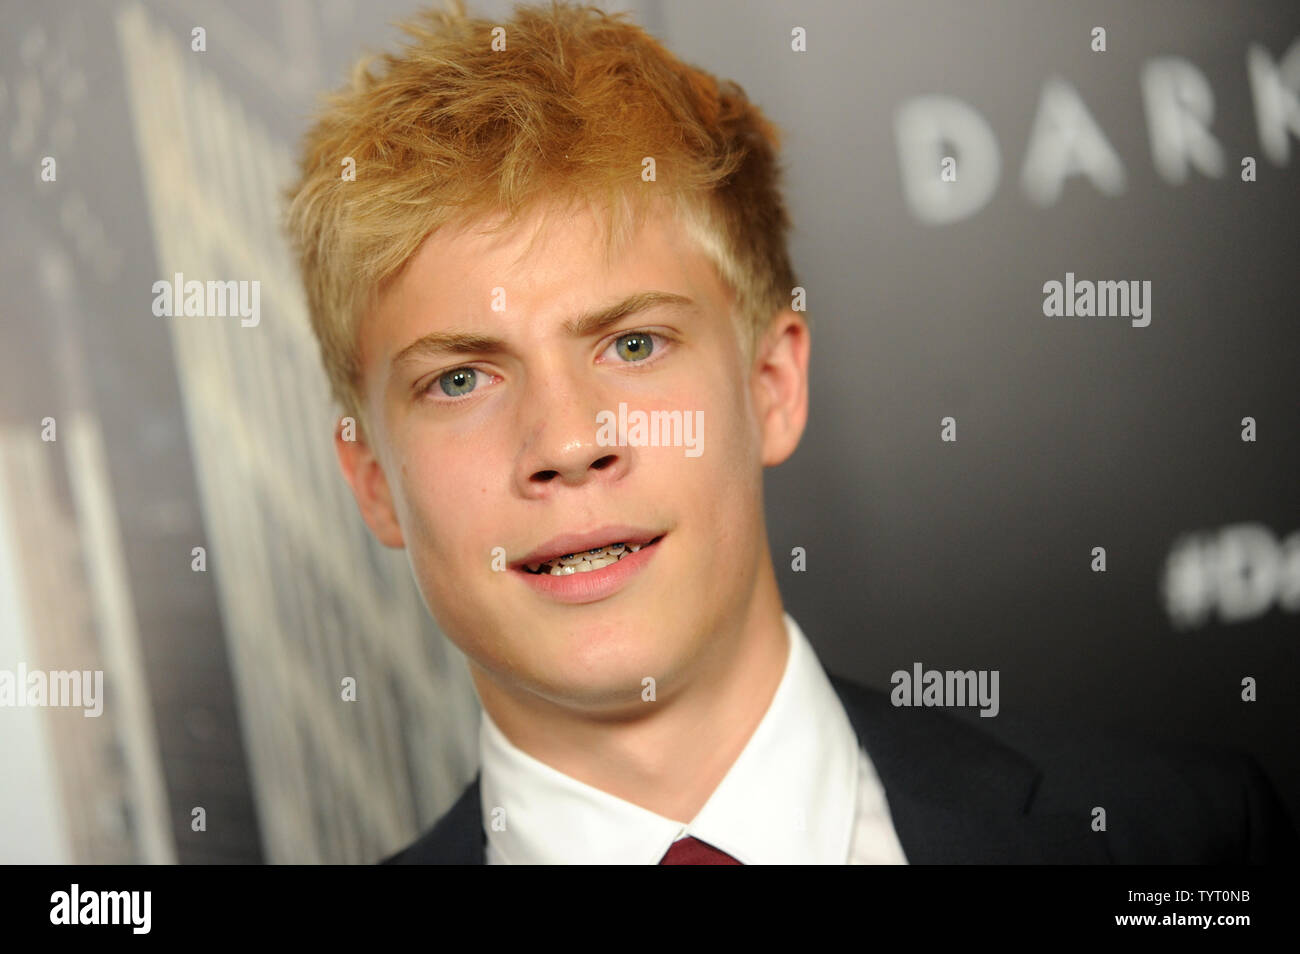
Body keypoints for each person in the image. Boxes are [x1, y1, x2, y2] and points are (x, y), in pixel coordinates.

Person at [284, 0, 1297, 864]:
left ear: (771, 386)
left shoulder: (1183, 838)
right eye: (461, 378)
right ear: (372, 480)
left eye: (633, 345)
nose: (565, 439)